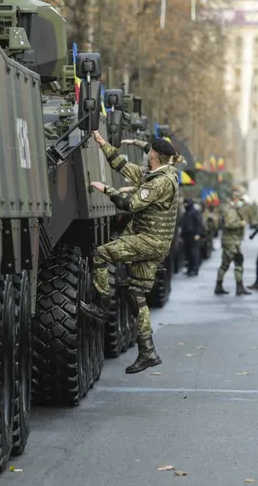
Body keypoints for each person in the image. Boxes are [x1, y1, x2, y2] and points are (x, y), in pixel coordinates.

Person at [80, 130, 183, 374]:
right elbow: (123, 165)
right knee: (136, 294)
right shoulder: (156, 175)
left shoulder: (160, 182)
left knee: (101, 254)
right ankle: (148, 352)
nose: (147, 155)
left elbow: (130, 205)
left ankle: (101, 306)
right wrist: (102, 143)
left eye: (149, 152)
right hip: (155, 243)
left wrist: (106, 189)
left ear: (155, 156)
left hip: (149, 241)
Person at [216, 188, 252, 296]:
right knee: (232, 263)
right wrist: (241, 223)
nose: (242, 202)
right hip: (230, 241)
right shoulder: (229, 210)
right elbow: (229, 224)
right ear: (235, 199)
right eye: (240, 200)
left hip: (234, 241)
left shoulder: (234, 209)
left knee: (232, 263)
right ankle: (232, 286)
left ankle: (234, 286)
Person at [179, 198, 204, 276]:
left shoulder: (194, 212)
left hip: (193, 236)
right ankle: (190, 269)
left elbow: (198, 224)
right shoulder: (186, 213)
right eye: (185, 203)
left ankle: (195, 269)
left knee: (194, 253)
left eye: (187, 203)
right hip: (186, 236)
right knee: (188, 253)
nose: (185, 205)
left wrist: (197, 234)